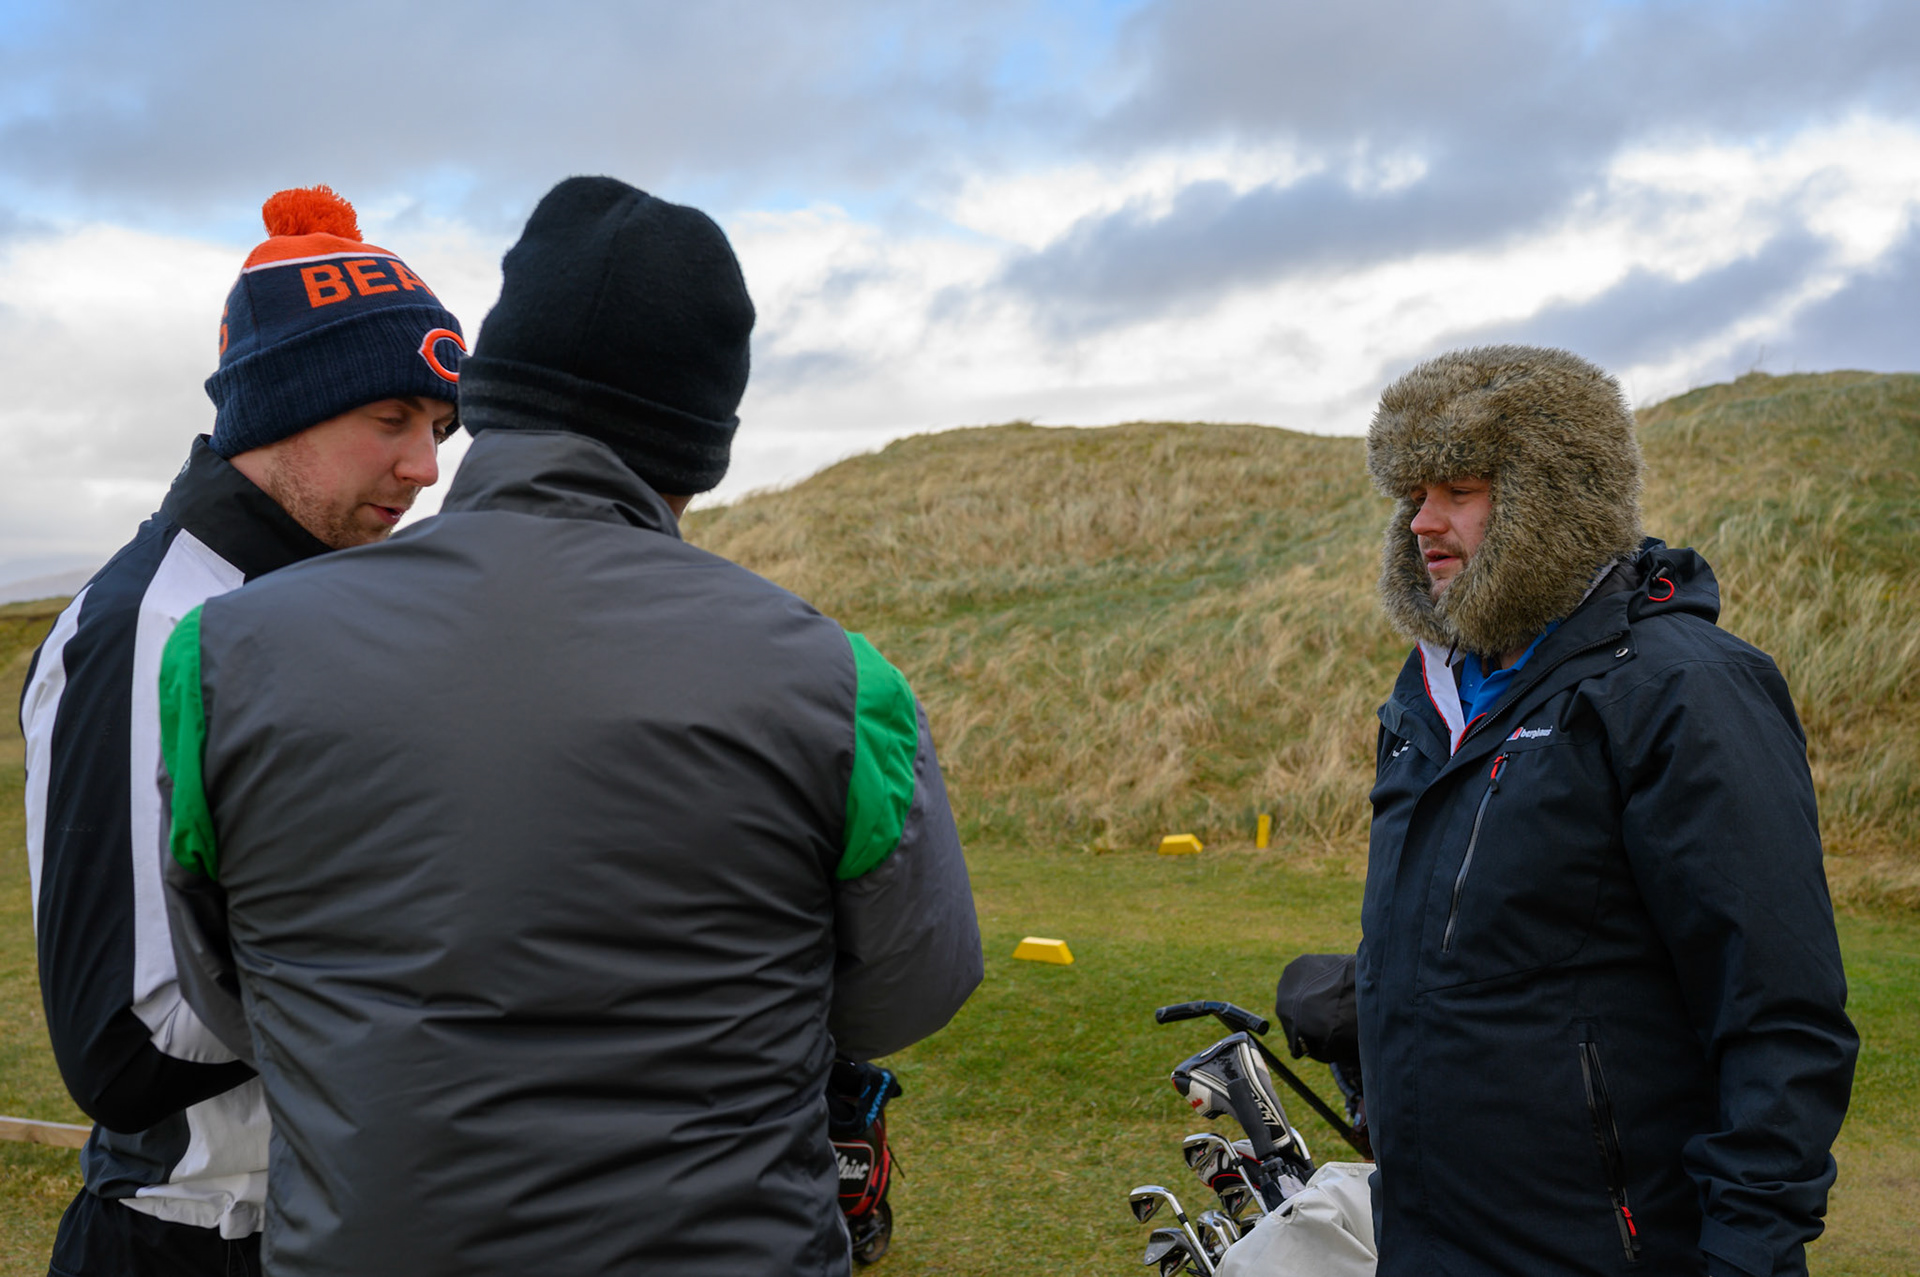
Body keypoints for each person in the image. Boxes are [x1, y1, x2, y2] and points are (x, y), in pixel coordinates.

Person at [155, 175, 984, 1276]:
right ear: (701, 445)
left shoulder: (218, 658)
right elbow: (907, 989)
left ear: (486, 395)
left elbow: (233, 986)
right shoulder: (840, 683)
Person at [19, 184, 463, 1276]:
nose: (426, 467)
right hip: (190, 1238)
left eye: (443, 428)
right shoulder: (144, 626)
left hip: (351, 1221)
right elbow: (122, 1044)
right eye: (393, 419)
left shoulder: (357, 603)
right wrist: (436, 959)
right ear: (285, 409)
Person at [1356, 346, 1857, 1277]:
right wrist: (1367, 998)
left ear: (1554, 496)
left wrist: (1747, 1254)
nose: (1422, 521)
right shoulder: (1431, 694)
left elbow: (1779, 1016)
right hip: (1432, 1243)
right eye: (1413, 493)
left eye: (1458, 489)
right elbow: (1522, 943)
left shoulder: (1683, 689)